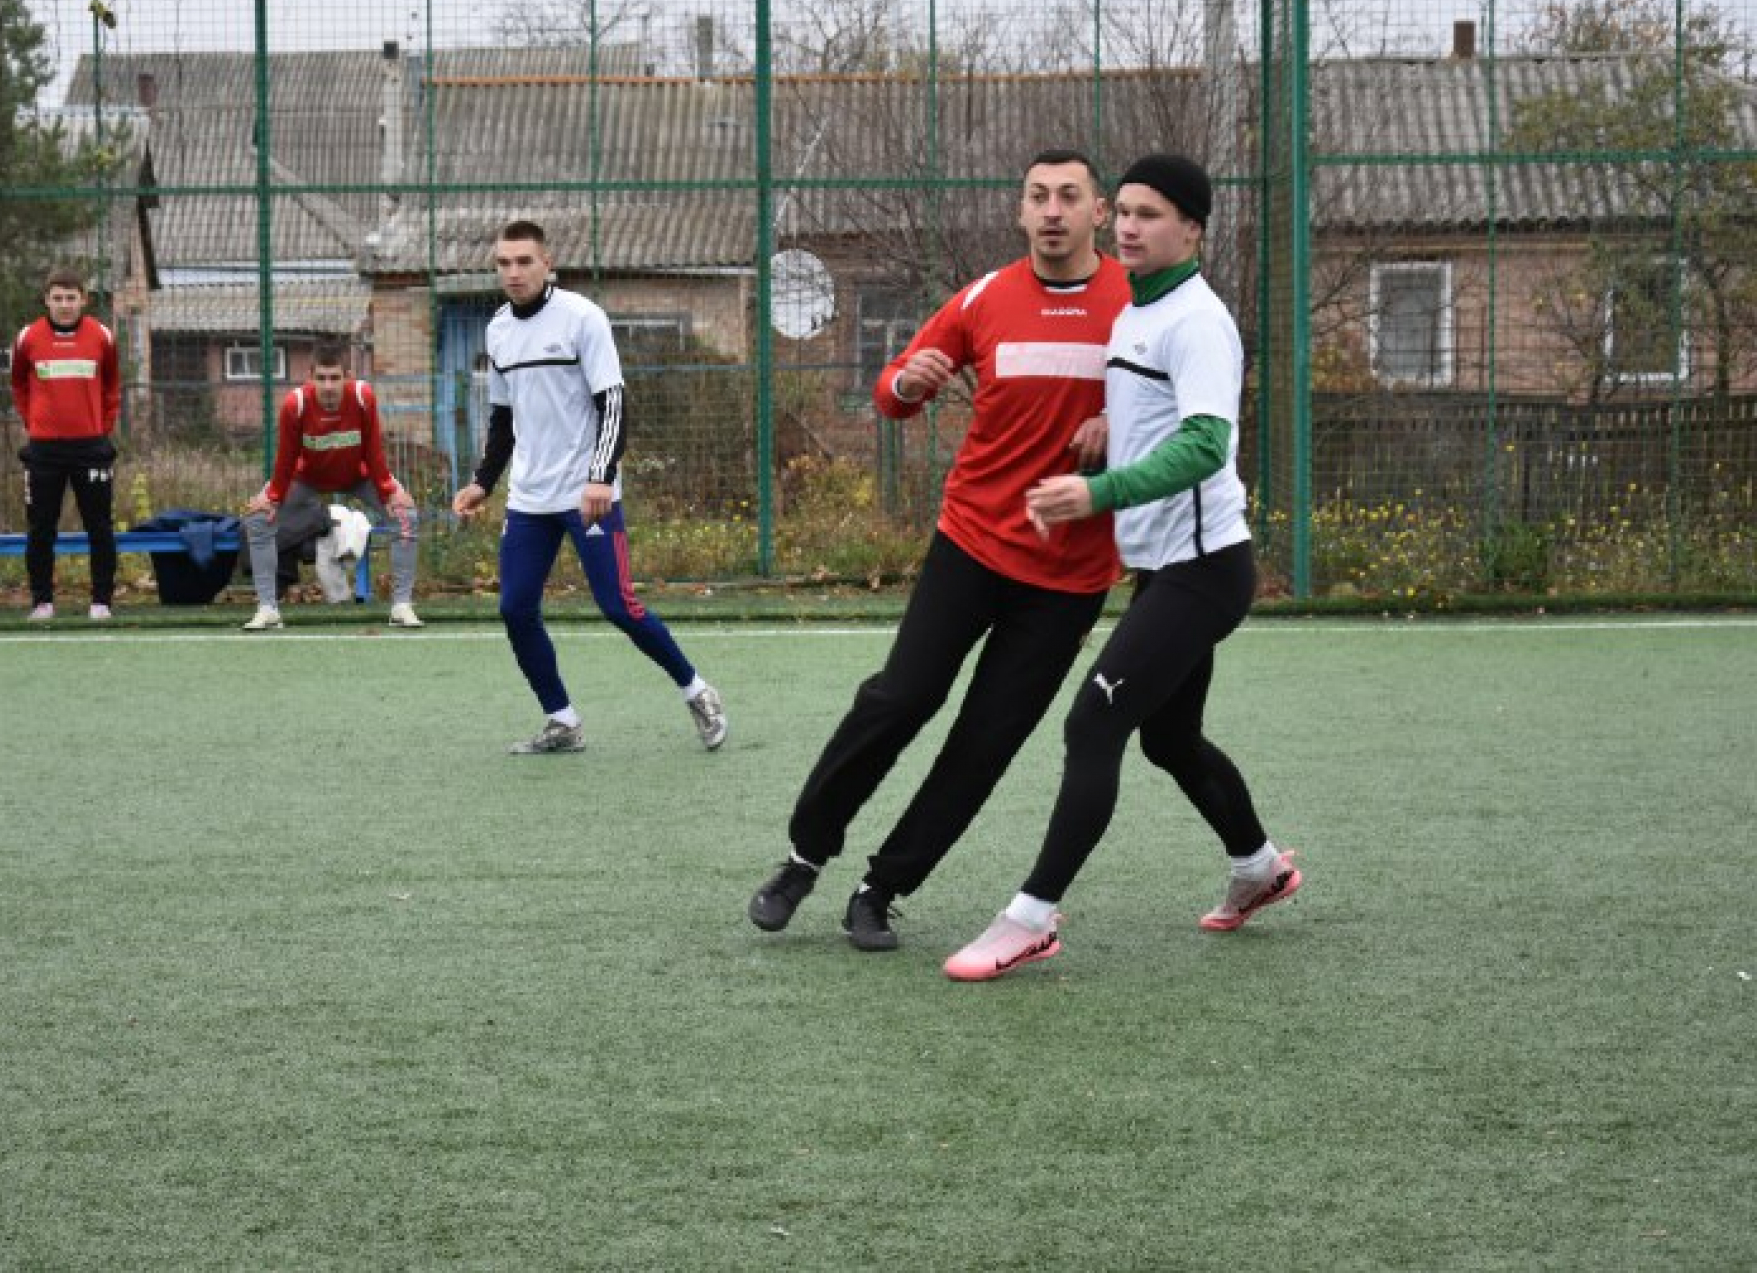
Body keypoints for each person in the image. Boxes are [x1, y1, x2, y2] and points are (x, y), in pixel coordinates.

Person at [746, 149, 1131, 952]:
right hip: (972, 544)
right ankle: (803, 857)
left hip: (1068, 578)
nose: (1051, 210)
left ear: (1099, 212)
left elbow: (1183, 412)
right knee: (899, 698)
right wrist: (906, 383)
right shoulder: (985, 296)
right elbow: (891, 390)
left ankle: (880, 890)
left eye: (1068, 196)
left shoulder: (1137, 305)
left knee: (983, 743)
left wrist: (1120, 425)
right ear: (1019, 212)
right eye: (1037, 196)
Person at [943, 152, 1302, 983]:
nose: (1130, 228)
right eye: (1127, 212)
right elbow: (1154, 408)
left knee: (1092, 725)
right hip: (1165, 568)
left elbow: (1205, 444)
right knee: (1168, 738)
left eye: (1151, 215)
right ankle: (1257, 866)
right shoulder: (1141, 307)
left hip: (1204, 570)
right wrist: (1112, 427)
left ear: (1192, 230)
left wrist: (1098, 490)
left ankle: (1029, 918)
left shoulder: (1196, 321)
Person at [451, 219, 727, 755]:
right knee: (515, 609)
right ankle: (562, 720)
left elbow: (613, 403)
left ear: (547, 263)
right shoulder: (498, 330)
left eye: (524, 261)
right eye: (504, 263)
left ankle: (697, 691)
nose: (513, 272)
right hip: (529, 498)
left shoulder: (582, 318)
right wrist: (483, 482)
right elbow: (503, 419)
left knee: (619, 606)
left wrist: (600, 477)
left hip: (587, 495)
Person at [239, 341, 421, 631]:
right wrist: (272, 498)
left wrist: (389, 492)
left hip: (358, 475)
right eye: (321, 378)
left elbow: (374, 451)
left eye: (335, 378)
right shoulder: (295, 405)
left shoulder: (362, 397)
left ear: (347, 377)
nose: (328, 386)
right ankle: (267, 608)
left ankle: (401, 606)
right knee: (258, 518)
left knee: (406, 516)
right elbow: (286, 458)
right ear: (310, 377)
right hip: (306, 478)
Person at [10, 267, 122, 621]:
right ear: (46, 300)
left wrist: (100, 428)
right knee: (41, 529)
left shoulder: (101, 335)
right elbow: (19, 386)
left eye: (71, 298)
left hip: (91, 449)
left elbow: (112, 386)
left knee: (99, 527)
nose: (64, 305)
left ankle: (101, 602)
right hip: (44, 451)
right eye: (57, 298)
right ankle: (42, 602)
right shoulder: (28, 337)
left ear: (83, 300)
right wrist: (35, 424)